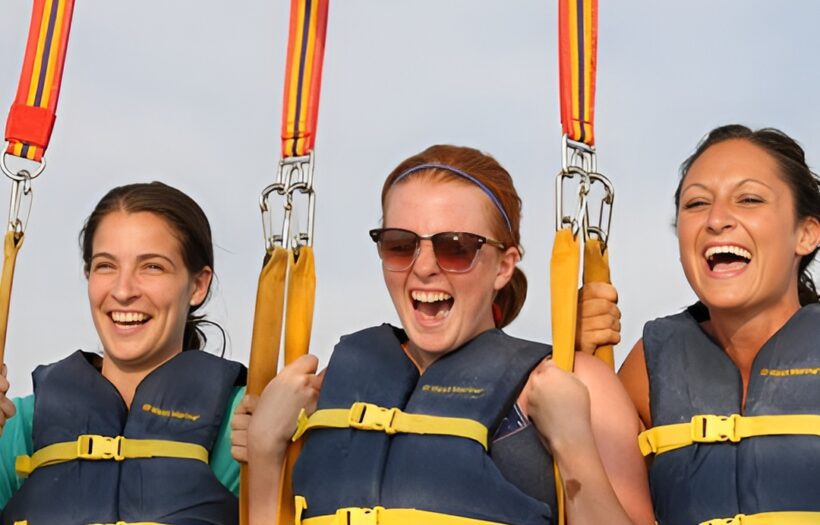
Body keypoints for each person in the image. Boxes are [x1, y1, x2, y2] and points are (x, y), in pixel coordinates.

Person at [233, 145, 655, 525]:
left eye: (456, 247)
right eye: (400, 244)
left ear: (504, 266)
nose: (424, 267)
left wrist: (575, 447)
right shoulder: (327, 390)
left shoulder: (576, 384)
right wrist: (266, 449)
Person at [0, 182, 247, 524]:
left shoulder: (243, 421)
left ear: (198, 285)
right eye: (106, 266)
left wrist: (269, 451)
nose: (123, 290)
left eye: (152, 267)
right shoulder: (20, 425)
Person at [613, 125, 820, 525]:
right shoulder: (646, 370)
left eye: (749, 199)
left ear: (806, 234)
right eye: (696, 204)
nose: (716, 219)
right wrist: (583, 364)